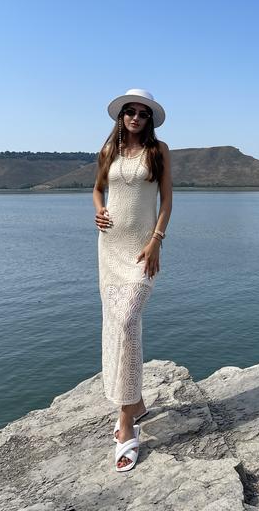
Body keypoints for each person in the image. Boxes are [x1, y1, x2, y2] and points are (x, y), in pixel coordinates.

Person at [93, 88, 172, 472]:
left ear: (149, 119)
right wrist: (98, 210)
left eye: (143, 113)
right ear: (121, 116)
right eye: (130, 111)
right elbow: (98, 189)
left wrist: (156, 241)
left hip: (142, 250)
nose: (136, 117)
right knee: (117, 324)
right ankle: (134, 404)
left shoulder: (158, 151)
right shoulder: (109, 150)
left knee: (127, 320)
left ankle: (125, 423)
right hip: (110, 248)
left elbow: (167, 200)